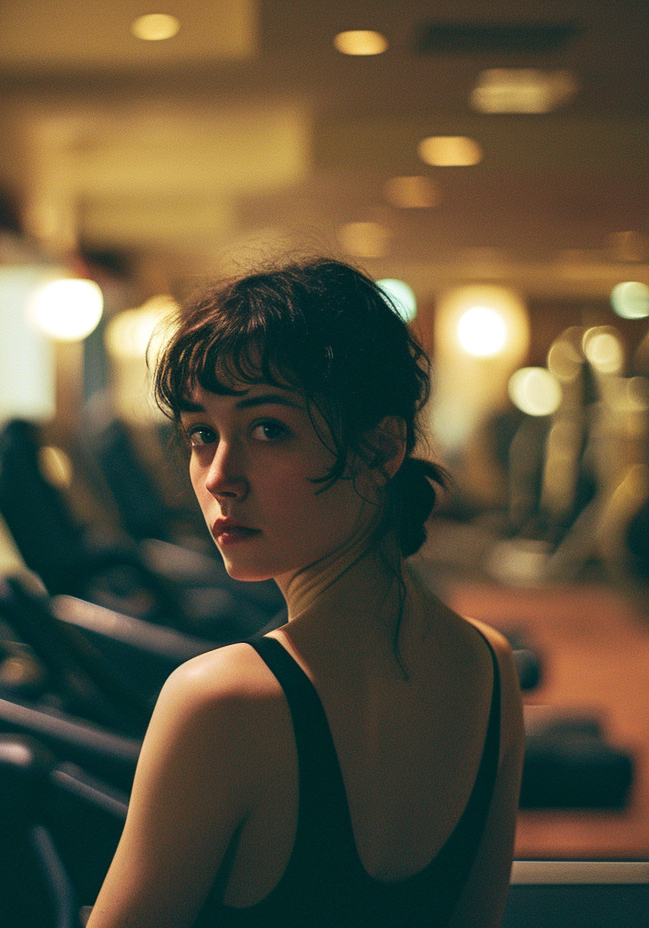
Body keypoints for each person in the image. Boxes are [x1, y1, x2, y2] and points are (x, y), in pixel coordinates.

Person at [86, 258, 524, 928]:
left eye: (268, 429)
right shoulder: (490, 664)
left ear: (381, 449)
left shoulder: (218, 700)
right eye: (203, 434)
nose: (220, 478)